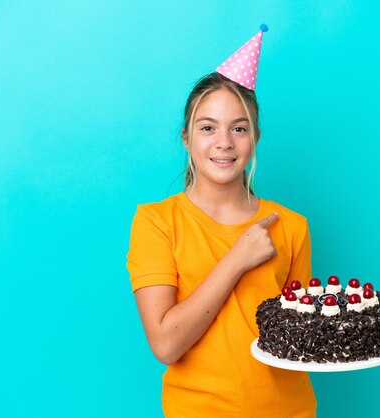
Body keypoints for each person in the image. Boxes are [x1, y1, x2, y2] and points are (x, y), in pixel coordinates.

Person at [126, 27, 317, 417]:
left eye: (239, 128)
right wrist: (237, 259)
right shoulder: (156, 222)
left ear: (255, 138)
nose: (224, 142)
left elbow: (298, 339)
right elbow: (165, 344)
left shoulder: (293, 226)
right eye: (208, 127)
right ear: (186, 138)